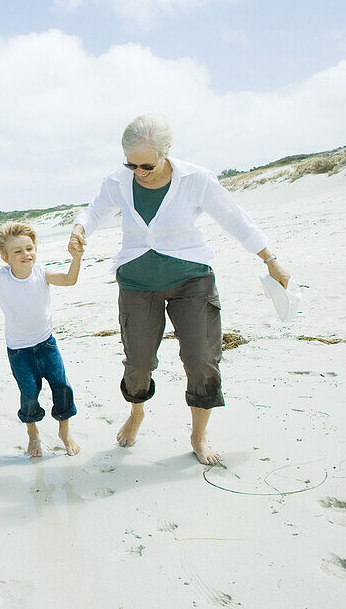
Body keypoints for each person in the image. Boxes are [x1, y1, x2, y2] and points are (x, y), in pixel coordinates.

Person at [69, 114, 291, 465]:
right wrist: (81, 228)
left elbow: (234, 218)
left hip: (192, 280)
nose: (138, 171)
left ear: (166, 151)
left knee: (202, 359)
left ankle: (198, 435)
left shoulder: (196, 179)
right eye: (130, 164)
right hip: (137, 283)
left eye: (146, 164)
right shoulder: (118, 182)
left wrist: (270, 258)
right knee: (139, 362)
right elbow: (94, 211)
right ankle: (137, 412)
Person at [0, 222, 83, 458]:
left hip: (46, 345)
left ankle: (64, 432)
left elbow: (69, 279)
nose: (26, 254)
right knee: (29, 393)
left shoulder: (42, 273)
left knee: (62, 387)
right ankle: (33, 433)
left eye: (29, 248)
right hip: (19, 351)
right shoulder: (1, 278)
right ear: (5, 256)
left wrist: (76, 258)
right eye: (18, 251)